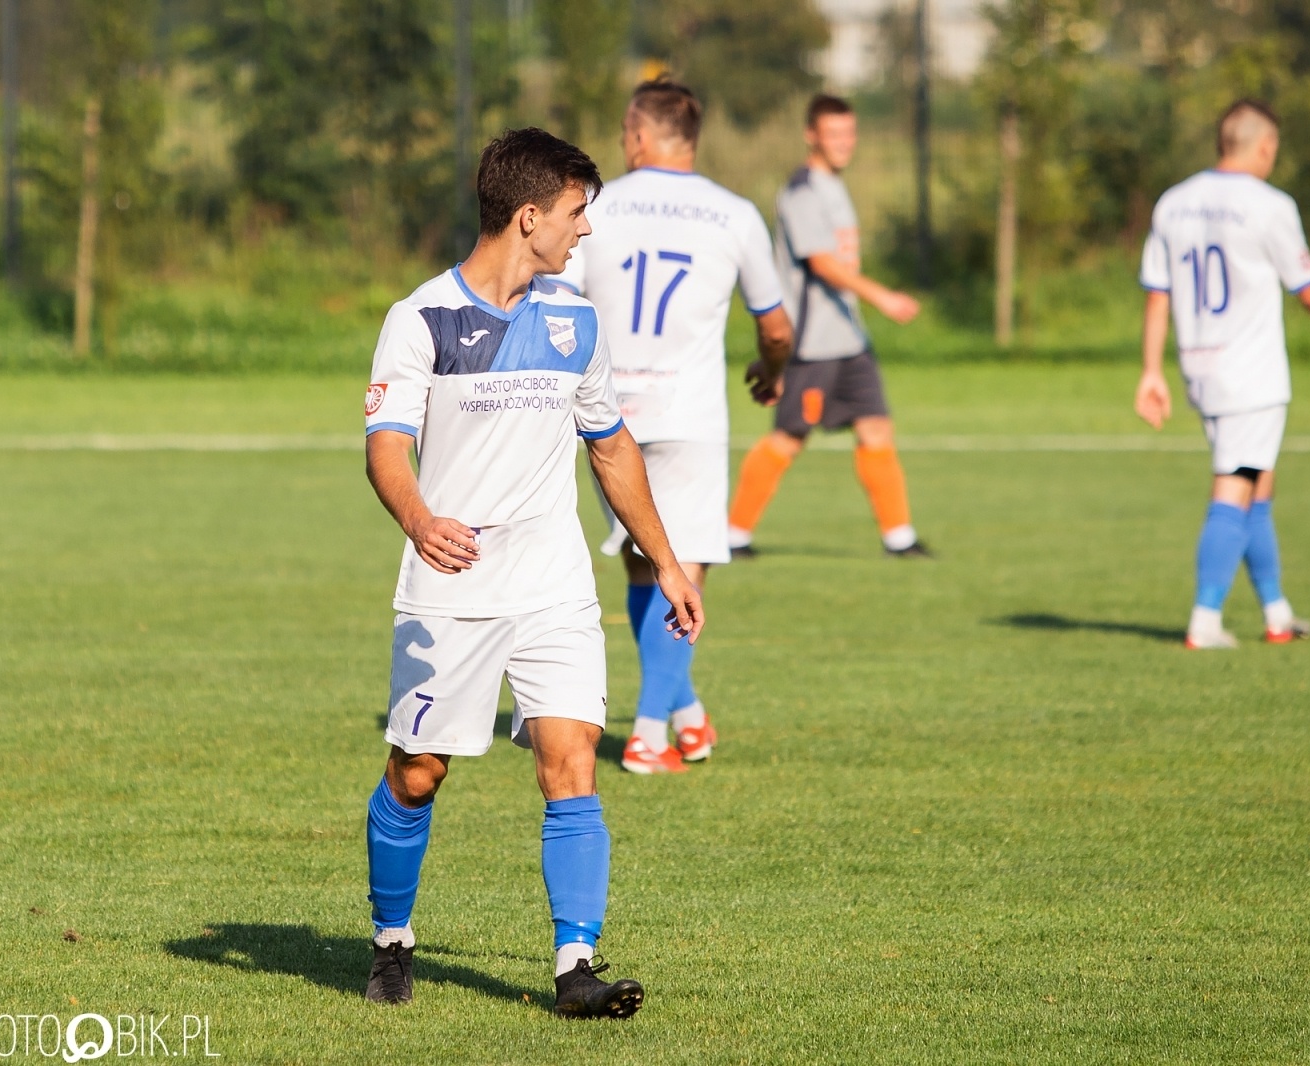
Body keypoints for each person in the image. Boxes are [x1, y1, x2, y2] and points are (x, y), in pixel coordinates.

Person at [359, 127, 704, 1017]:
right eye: (576, 212)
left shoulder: (575, 320)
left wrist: (666, 562)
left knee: (571, 756)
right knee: (419, 772)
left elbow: (612, 448)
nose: (584, 230)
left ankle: (575, 969)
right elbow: (386, 449)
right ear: (529, 216)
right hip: (452, 588)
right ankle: (393, 939)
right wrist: (420, 518)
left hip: (553, 583)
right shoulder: (421, 319)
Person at [555, 78, 793, 775]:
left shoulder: (596, 206)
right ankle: (650, 734)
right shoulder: (735, 213)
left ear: (637, 134)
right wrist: (770, 369)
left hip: (606, 412)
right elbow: (775, 324)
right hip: (689, 414)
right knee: (682, 569)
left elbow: (561, 306)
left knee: (642, 560)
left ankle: (683, 713)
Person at [1134, 99, 1310, 649]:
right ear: (1265, 146)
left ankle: (1277, 614)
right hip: (1251, 374)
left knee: (1256, 485)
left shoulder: (1175, 202)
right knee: (1236, 485)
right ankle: (1205, 621)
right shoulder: (1270, 206)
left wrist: (1152, 370)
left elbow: (1157, 295)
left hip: (1200, 368)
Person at [727, 93, 932, 559]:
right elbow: (821, 263)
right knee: (790, 437)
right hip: (813, 343)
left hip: (850, 340)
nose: (844, 143)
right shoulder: (801, 191)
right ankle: (733, 534)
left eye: (850, 133)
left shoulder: (833, 186)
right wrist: (882, 296)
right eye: (834, 133)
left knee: (877, 429)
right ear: (811, 135)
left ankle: (898, 537)